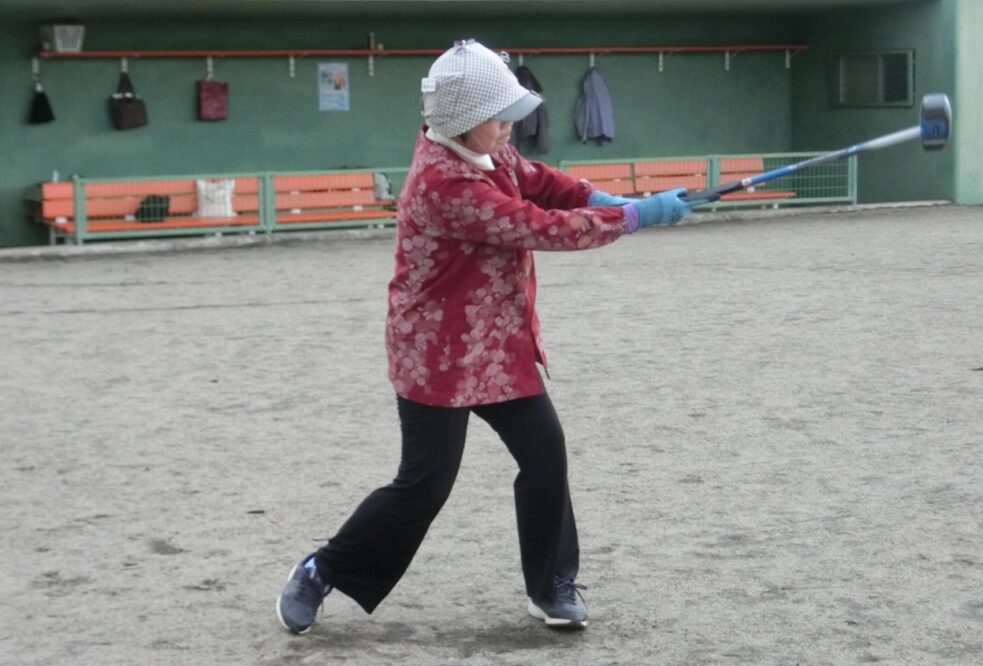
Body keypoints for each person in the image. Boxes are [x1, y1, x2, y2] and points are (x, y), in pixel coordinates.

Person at [276, 39, 690, 635]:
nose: (509, 127)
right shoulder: (444, 184)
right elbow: (536, 226)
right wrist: (635, 216)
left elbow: (539, 182)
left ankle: (550, 585)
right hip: (435, 353)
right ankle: (322, 570)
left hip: (497, 345)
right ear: (463, 120)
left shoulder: (486, 148)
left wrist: (599, 198)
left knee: (545, 456)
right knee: (425, 486)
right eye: (499, 117)